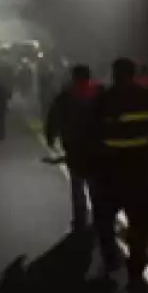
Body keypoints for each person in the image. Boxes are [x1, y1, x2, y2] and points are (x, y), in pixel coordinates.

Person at [88, 58, 148, 275]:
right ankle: (136, 264)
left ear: (114, 75)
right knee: (139, 222)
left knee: (104, 221)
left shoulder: (102, 101)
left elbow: (88, 135)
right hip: (140, 173)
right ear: (133, 75)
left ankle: (111, 259)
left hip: (109, 173)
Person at [44, 64, 101, 231]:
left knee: (77, 186)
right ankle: (99, 219)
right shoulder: (100, 93)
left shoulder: (65, 96)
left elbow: (53, 117)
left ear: (74, 77)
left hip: (74, 147)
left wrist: (50, 137)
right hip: (96, 147)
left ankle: (80, 220)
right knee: (96, 186)